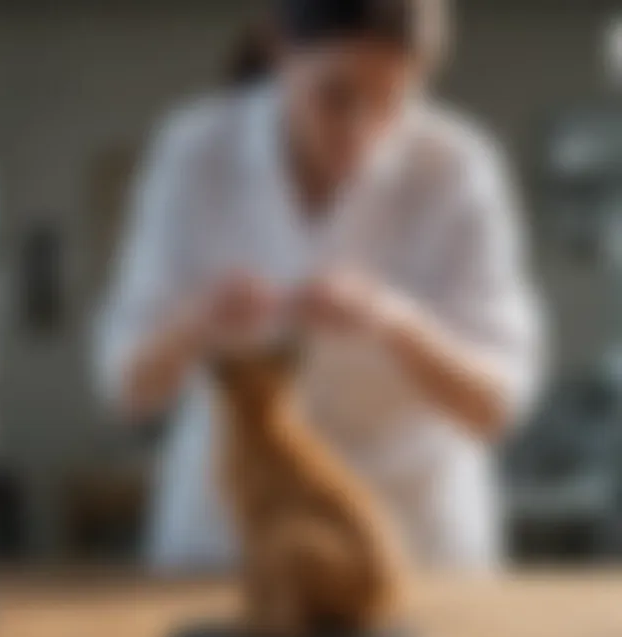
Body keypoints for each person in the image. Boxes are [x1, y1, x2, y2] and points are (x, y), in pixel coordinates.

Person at [94, 0, 544, 573]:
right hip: (231, 538)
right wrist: (197, 323)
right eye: (336, 96)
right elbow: (126, 387)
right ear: (281, 50)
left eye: (391, 101)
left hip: (414, 538)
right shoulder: (194, 152)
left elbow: (496, 406)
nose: (361, 131)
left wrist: (394, 321)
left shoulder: (458, 167)